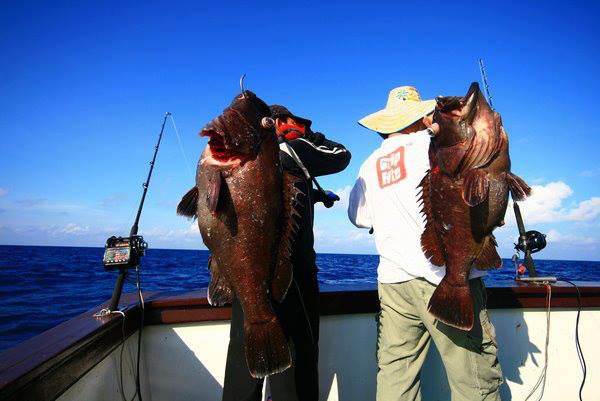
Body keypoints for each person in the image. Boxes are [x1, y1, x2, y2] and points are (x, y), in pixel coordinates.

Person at [348, 86, 503, 401]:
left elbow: (359, 217)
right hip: (446, 278)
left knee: (396, 373)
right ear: (421, 116)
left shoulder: (369, 164)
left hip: (394, 284)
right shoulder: (438, 144)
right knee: (473, 377)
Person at [222, 104, 351, 401]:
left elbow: (266, 203)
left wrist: (316, 195)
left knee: (242, 356)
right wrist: (307, 137)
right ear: (278, 122)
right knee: (299, 356)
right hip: (292, 273)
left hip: (246, 272)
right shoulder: (293, 152)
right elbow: (341, 155)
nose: (300, 126)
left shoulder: (245, 159)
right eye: (295, 121)